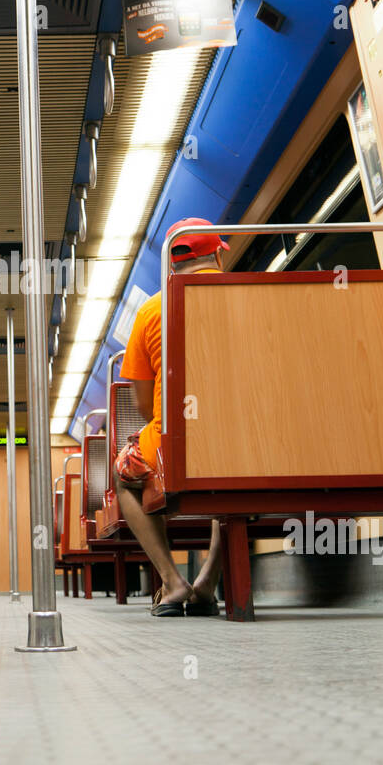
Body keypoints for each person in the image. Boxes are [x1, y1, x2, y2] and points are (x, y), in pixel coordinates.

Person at [114, 217, 228, 617]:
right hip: (243, 439)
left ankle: (172, 581)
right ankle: (209, 581)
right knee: (232, 476)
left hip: (175, 444)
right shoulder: (245, 295)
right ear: (216, 255)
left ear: (170, 265)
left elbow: (145, 406)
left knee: (123, 475)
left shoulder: (149, 312)